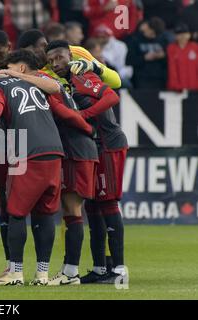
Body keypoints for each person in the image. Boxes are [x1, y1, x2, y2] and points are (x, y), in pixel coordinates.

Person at [0, 49, 94, 286]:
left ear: (20, 68)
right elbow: (57, 91)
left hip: (28, 152)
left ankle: (15, 272)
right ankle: (42, 275)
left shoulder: (1, 85)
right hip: (54, 150)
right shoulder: (43, 83)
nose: (3, 70)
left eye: (9, 67)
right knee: (44, 214)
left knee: (16, 214)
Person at [46, 40, 128, 285]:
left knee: (108, 205)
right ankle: (100, 268)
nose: (56, 63)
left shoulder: (80, 74)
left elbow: (111, 96)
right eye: (51, 61)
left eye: (59, 57)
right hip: (96, 146)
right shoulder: (69, 82)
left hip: (108, 145)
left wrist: (84, 116)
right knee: (92, 208)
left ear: (70, 55)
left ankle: (120, 271)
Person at [126, 18, 170, 89]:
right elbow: (129, 60)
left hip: (159, 79)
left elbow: (169, 62)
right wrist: (144, 58)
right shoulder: (135, 40)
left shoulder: (163, 41)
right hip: (141, 78)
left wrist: (163, 56)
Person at [167, 23, 198, 91]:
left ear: (189, 35)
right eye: (179, 34)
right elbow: (172, 68)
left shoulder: (195, 47)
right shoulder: (171, 48)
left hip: (194, 85)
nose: (182, 36)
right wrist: (175, 85)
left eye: (185, 33)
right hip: (178, 88)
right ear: (175, 36)